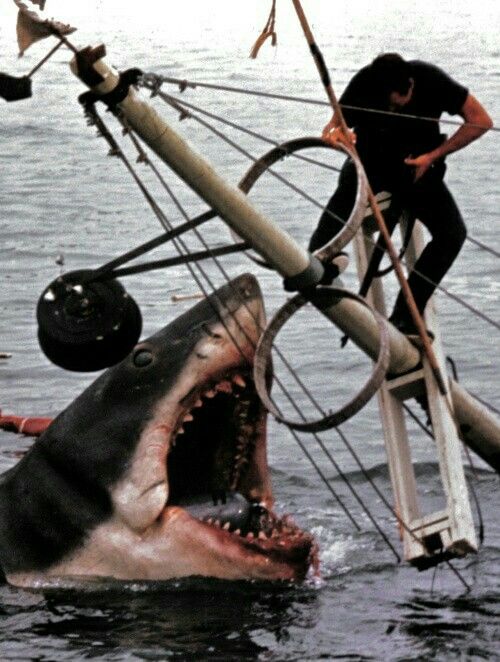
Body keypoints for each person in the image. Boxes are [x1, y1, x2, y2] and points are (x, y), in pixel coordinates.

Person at [311, 53, 492, 335]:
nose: (396, 106)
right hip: (372, 163)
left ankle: (406, 315)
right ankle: (317, 258)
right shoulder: (365, 82)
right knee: (349, 182)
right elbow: (334, 126)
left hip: (417, 169)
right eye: (390, 103)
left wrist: (433, 155)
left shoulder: (429, 78)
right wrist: (337, 137)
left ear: (410, 83)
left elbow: (481, 120)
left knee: (452, 234)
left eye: (402, 100)